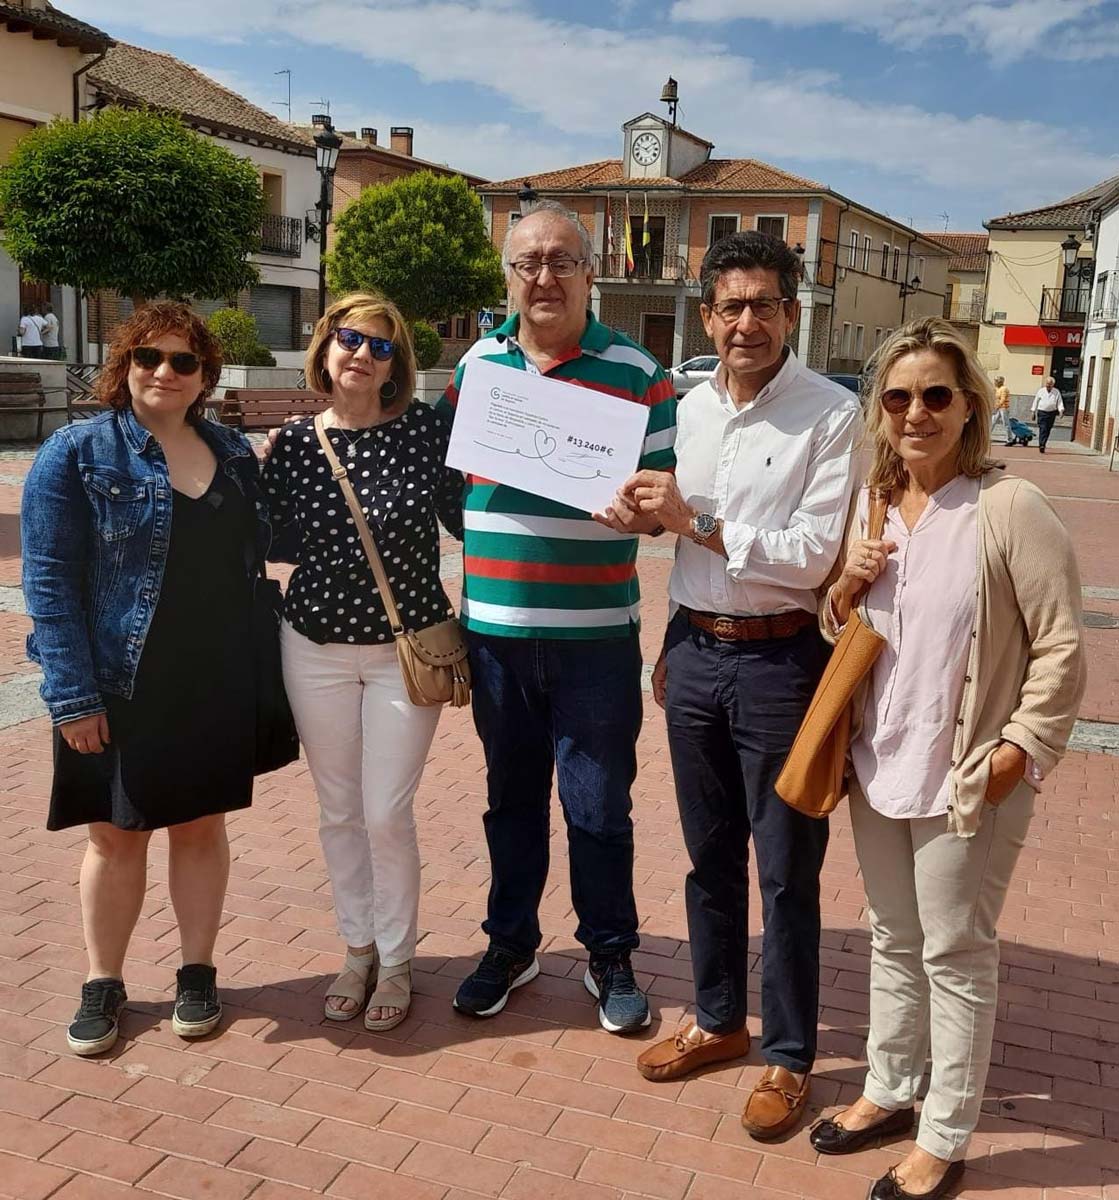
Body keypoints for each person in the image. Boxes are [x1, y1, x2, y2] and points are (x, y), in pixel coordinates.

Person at [808, 318, 1085, 1200]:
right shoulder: (876, 503)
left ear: (968, 406)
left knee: (955, 954)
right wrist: (844, 586)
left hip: (965, 775)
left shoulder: (1007, 507)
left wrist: (1019, 748)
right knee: (893, 938)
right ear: (880, 411)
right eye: (897, 397)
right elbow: (846, 635)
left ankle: (945, 1132)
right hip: (877, 763)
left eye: (935, 395)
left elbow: (1060, 646)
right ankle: (890, 1088)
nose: (915, 413)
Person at [603, 230, 861, 1134]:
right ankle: (717, 1020)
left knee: (787, 871)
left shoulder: (831, 414)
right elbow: (668, 523)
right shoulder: (687, 409)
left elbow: (813, 556)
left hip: (782, 663)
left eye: (763, 305)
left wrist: (693, 521)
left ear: (791, 313)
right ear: (706, 317)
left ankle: (789, 1057)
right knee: (708, 856)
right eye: (729, 307)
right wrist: (637, 514)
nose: (745, 323)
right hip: (693, 651)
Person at [439, 200, 676, 1034]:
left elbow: (662, 505)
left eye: (561, 261)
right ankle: (511, 945)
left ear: (588, 272)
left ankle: (609, 952)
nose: (544, 277)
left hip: (594, 641)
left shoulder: (639, 373)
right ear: (509, 274)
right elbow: (452, 485)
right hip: (495, 635)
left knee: (598, 807)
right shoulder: (477, 366)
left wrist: (642, 513)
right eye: (528, 262)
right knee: (509, 802)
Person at [20, 302, 269, 1056]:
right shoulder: (77, 452)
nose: (164, 372)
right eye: (148, 357)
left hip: (214, 676)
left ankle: (197, 971)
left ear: (204, 375)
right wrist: (71, 697)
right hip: (118, 682)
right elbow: (49, 582)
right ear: (124, 365)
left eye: (183, 361)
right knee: (114, 836)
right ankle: (104, 979)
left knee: (201, 827)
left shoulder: (231, 451)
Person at [261, 292, 464, 1032]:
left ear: (395, 365)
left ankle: (397, 958)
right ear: (326, 346)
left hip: (402, 652)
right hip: (313, 647)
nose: (363, 355)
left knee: (385, 811)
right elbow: (268, 540)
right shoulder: (293, 443)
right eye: (351, 339)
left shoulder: (423, 432)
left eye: (381, 347)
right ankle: (357, 950)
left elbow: (467, 517)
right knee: (339, 810)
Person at [1031, 375, 1063, 453]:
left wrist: (1061, 411)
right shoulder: (1041, 391)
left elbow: (1059, 402)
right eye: (1047, 383)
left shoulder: (1056, 392)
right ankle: (1041, 445)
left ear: (1053, 384)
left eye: (1050, 384)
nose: (1048, 385)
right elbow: (1036, 401)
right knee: (1043, 428)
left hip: (1051, 413)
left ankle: (1043, 443)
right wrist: (1033, 411)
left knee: (1048, 429)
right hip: (1042, 412)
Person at [990, 374, 1010, 444]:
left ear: (1000, 382)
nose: (994, 382)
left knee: (1006, 423)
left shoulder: (1004, 389)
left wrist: (997, 406)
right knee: (992, 422)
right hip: (998, 407)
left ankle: (1009, 439)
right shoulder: (997, 389)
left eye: (996, 381)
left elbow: (1003, 399)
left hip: (1003, 408)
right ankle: (986, 437)